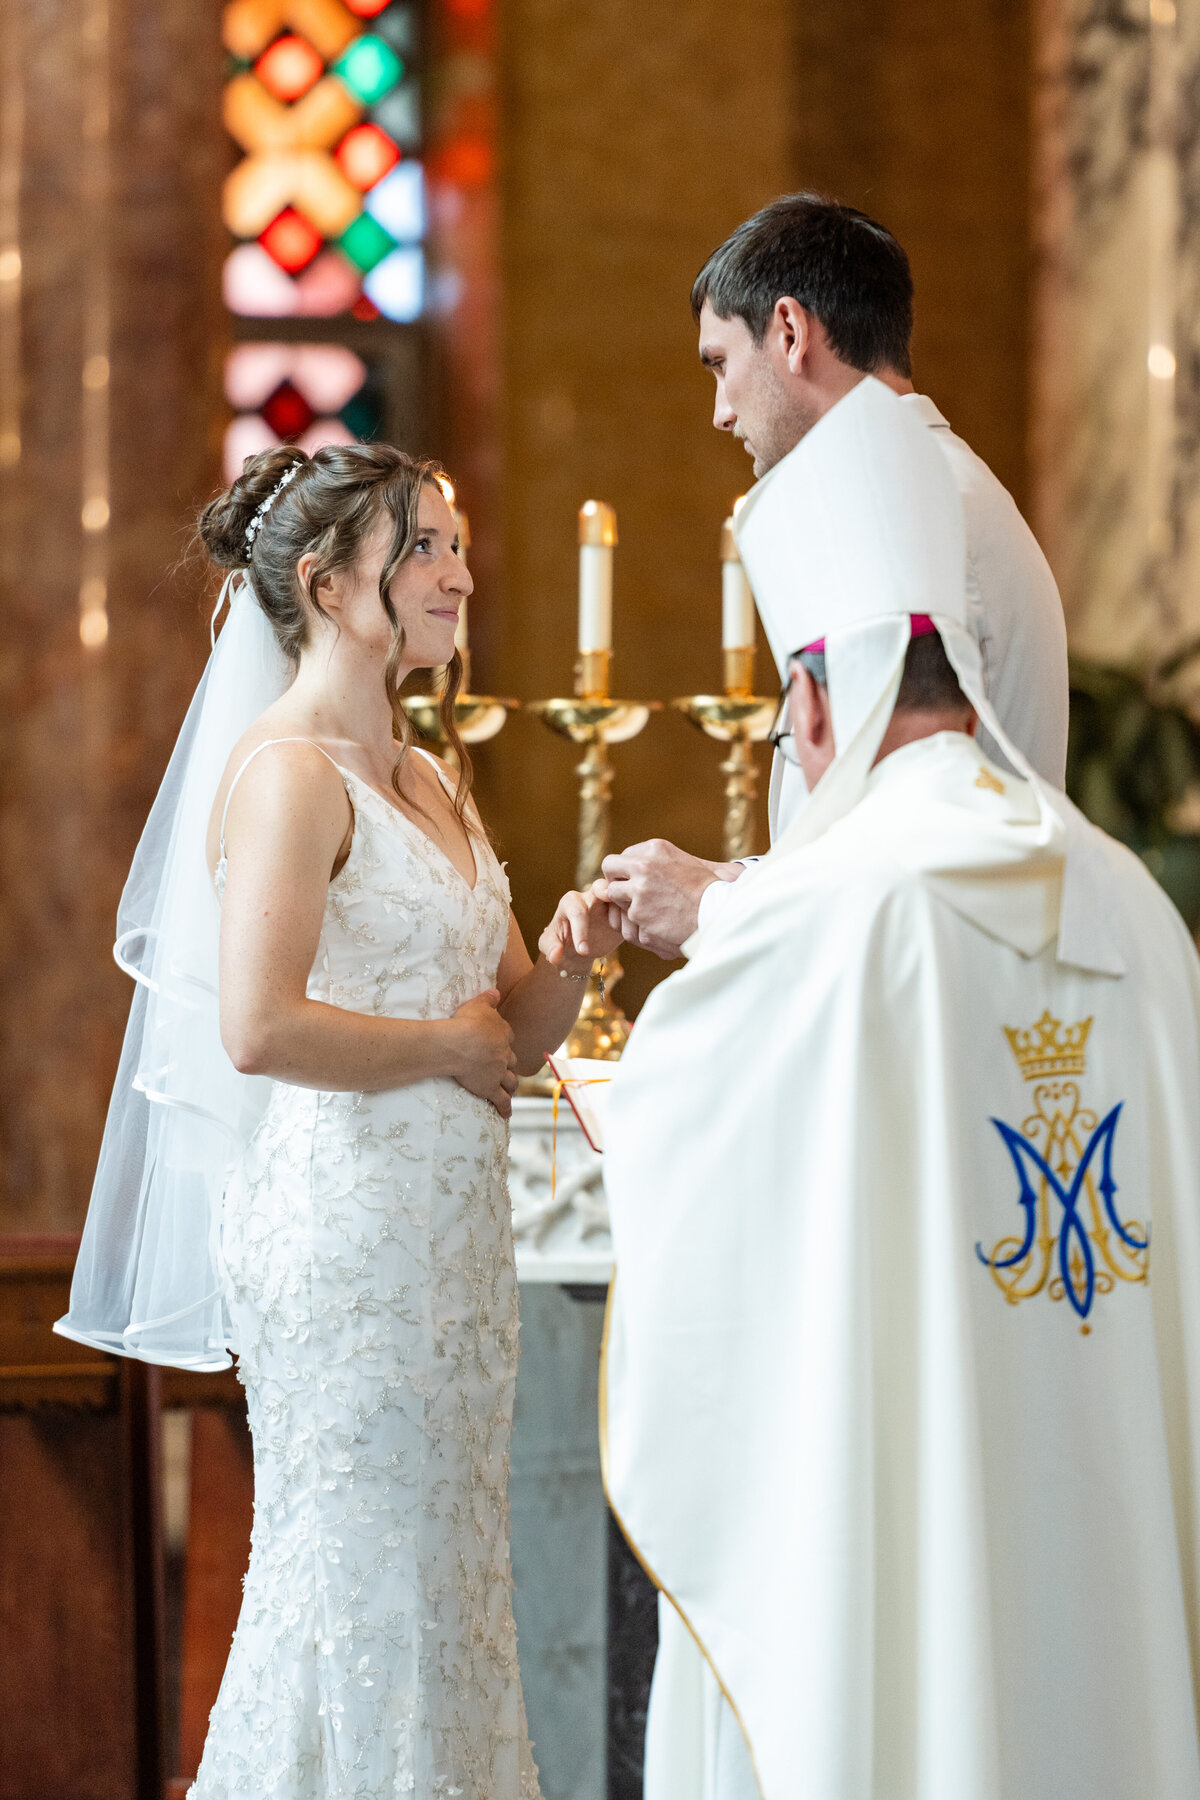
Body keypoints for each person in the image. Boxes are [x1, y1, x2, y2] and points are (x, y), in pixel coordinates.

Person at [601, 379, 1200, 1800]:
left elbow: (701, 1140)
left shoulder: (834, 913)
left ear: (816, 699)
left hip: (919, 1465)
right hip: (1108, 1453)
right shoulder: (1133, 905)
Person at [57, 444, 621, 1800]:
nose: (459, 573)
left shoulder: (429, 777)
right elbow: (258, 1028)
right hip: (349, 1243)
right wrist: (450, 1043)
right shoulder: (289, 773)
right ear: (326, 585)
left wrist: (577, 948)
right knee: (360, 1570)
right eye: (423, 548)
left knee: (450, 1572)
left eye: (451, 545)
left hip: (449, 1247)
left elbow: (518, 1036)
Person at [597, 192, 1070, 961]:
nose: (719, 413)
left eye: (720, 364)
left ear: (789, 331)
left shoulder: (896, 517)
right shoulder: (933, 489)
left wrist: (715, 906)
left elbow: (914, 853)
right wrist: (739, 877)